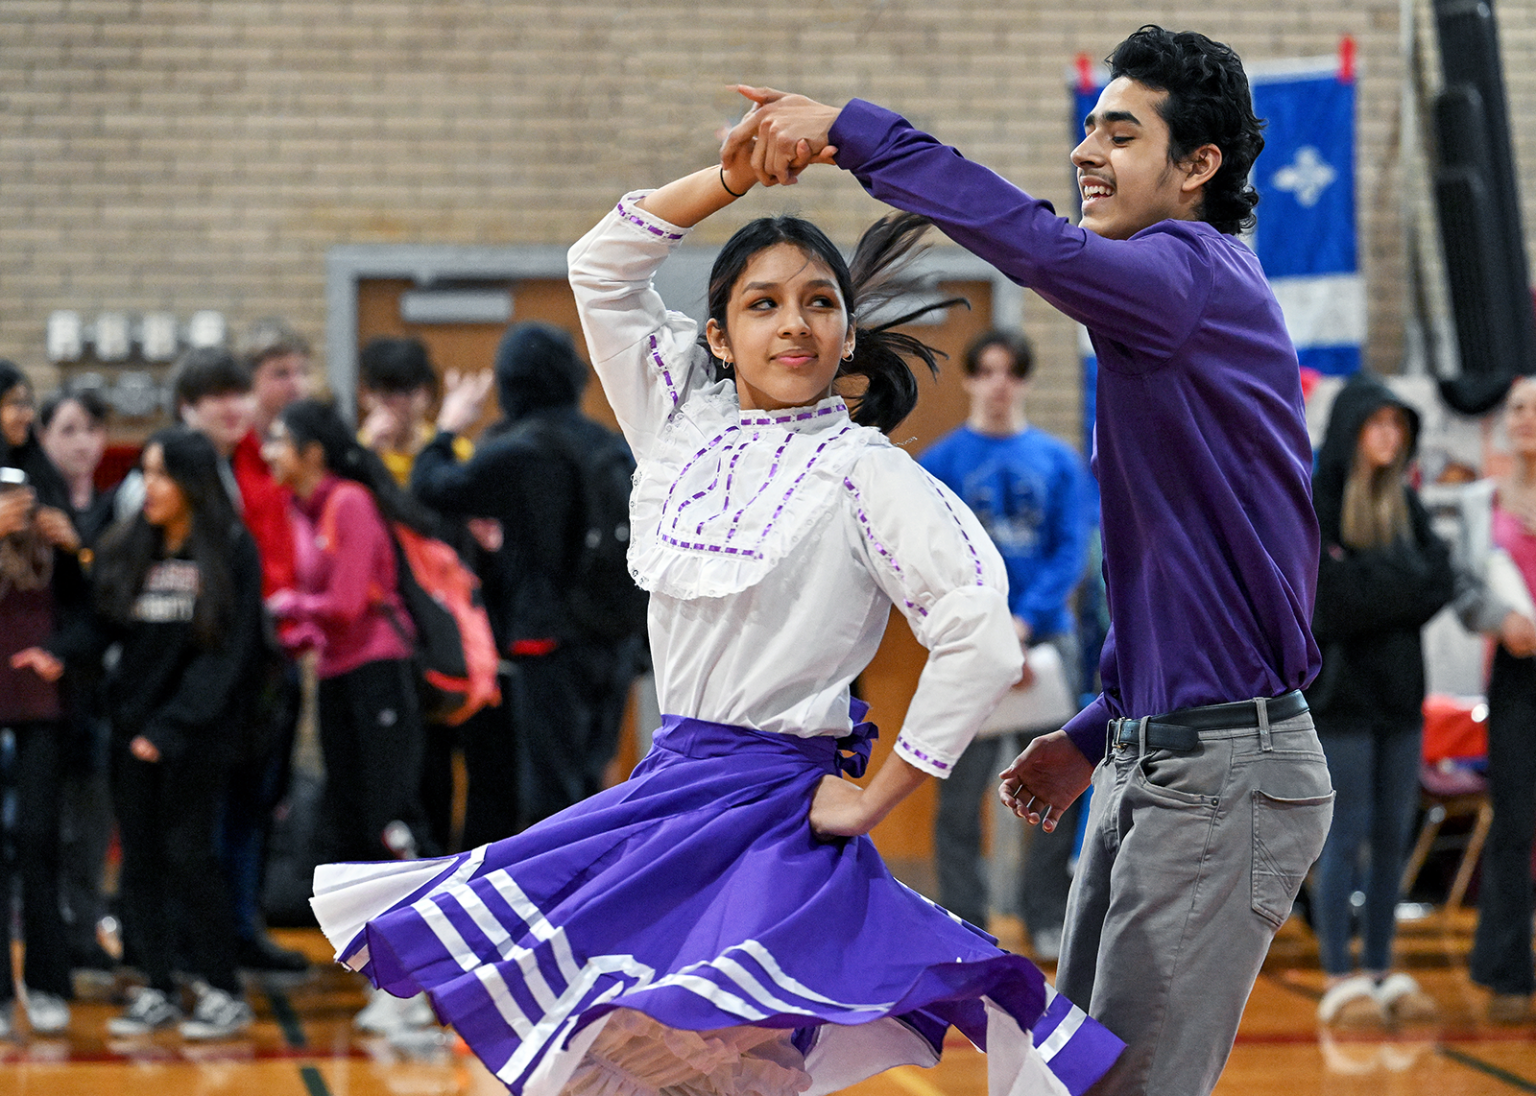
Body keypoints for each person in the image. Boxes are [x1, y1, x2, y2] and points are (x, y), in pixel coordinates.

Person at [307, 143, 1123, 1096]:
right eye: (763, 303)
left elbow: (977, 635)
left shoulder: (868, 473)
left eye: (820, 302)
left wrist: (875, 798)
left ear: (848, 335)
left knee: (720, 1070)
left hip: (773, 815)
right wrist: (731, 179)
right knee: (611, 1070)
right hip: (666, 792)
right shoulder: (675, 423)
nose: (796, 323)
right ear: (720, 337)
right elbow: (599, 266)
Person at [729, 24, 1333, 1096]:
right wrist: (1099, 730)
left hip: (1223, 773)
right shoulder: (1169, 309)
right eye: (1090, 128)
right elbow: (1192, 578)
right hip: (1159, 754)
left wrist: (855, 133)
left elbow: (1037, 245)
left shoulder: (1185, 273)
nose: (1086, 152)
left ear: (1198, 165)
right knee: (1071, 1081)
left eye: (1122, 134)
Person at [15, 427, 264, 1040]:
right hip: (132, 729)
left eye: (160, 474)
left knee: (190, 855)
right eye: (145, 474)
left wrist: (173, 726)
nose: (147, 487)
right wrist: (59, 653)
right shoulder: (134, 543)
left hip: (196, 733)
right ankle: (157, 985)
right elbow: (105, 622)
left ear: (191, 482)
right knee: (141, 861)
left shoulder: (231, 548)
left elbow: (229, 656)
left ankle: (222, 989)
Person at [412, 323, 642, 831]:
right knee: (591, 781)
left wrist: (448, 427)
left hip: (550, 639)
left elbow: (432, 486)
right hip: (615, 640)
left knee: (550, 794)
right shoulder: (611, 446)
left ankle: (559, 883)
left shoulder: (523, 448)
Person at [920, 329, 1090, 957]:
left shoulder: (1059, 461)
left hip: (1044, 646)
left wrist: (1022, 623)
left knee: (1055, 785)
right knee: (959, 796)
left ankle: (1043, 915)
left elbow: (1070, 551)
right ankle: (963, 923)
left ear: (1025, 382)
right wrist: (988, 627)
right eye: (987, 370)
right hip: (969, 646)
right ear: (969, 379)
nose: (999, 384)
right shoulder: (939, 463)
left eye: (1011, 372)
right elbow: (930, 556)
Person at [1306, 373, 1455, 1024]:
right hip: (1341, 701)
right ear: (1351, 429)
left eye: (1398, 425)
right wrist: (1396, 585)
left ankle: (1380, 967)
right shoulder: (1319, 500)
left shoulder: (1406, 502)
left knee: (1395, 835)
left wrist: (1372, 583)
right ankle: (1339, 975)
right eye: (1378, 423)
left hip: (1401, 697)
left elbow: (1440, 580)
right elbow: (1329, 602)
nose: (1389, 436)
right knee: (1346, 835)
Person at [171, 347, 309, 975]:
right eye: (217, 397)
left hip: (268, 662)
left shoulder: (262, 459)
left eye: (238, 395)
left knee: (255, 804)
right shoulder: (177, 474)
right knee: (202, 811)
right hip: (208, 663)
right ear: (187, 408)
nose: (233, 408)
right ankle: (199, 940)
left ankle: (241, 928)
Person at [0, 362, 83, 1036]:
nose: (22, 414)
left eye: (26, 402)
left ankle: (50, 981)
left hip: (40, 693)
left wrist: (78, 549)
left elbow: (90, 606)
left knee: (39, 838)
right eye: (10, 403)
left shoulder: (46, 485)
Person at [37, 386, 120, 977]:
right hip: (36, 689)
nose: (82, 442)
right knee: (41, 822)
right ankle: (46, 934)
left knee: (92, 818)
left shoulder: (117, 512)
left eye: (91, 428)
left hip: (100, 690)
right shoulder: (29, 512)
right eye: (67, 429)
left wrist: (81, 549)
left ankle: (86, 929)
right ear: (42, 438)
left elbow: (112, 602)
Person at [1469, 376, 1536, 1022]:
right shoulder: (1485, 501)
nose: (1525, 419)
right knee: (1514, 823)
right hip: (1516, 674)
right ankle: (1507, 969)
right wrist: (1499, 619)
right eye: (1517, 408)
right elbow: (1467, 591)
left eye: (1535, 410)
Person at [358, 336, 473, 486]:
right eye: (387, 392)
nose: (398, 402)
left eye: (407, 391)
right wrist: (366, 452)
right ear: (365, 395)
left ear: (426, 392)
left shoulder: (454, 451)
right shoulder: (354, 452)